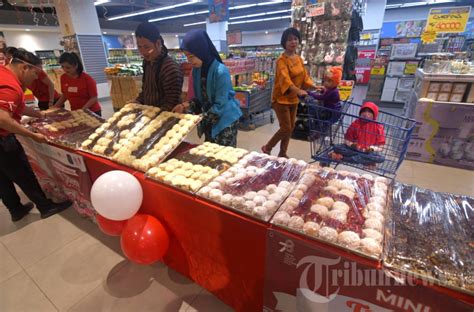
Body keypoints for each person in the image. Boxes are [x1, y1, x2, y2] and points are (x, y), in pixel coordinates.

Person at [0, 48, 72, 222]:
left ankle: (16, 209)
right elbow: (2, 119)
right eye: (35, 74)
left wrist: (40, 114)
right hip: (2, 140)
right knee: (22, 172)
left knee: (2, 178)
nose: (35, 79)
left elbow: (17, 106)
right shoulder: (11, 86)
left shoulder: (3, 73)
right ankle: (46, 206)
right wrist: (32, 135)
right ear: (25, 67)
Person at [173, 29, 242, 147]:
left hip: (225, 121)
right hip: (209, 119)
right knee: (210, 153)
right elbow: (199, 99)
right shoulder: (196, 71)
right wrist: (184, 106)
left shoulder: (221, 71)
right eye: (187, 57)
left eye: (192, 56)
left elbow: (221, 105)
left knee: (224, 157)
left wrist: (197, 119)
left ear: (201, 51)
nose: (189, 60)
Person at [262, 27, 314, 158]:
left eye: (295, 39)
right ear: (284, 42)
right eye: (289, 39)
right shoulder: (281, 60)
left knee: (290, 128)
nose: (293, 42)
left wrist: (315, 87)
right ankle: (267, 147)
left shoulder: (299, 59)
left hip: (294, 99)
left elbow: (305, 77)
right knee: (286, 127)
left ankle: (282, 153)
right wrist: (298, 90)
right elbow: (285, 80)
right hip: (281, 99)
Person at [134, 22, 183, 111]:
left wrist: (153, 119)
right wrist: (137, 102)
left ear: (158, 43)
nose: (143, 52)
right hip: (150, 116)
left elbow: (171, 103)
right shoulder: (147, 63)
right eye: (139, 47)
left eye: (147, 47)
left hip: (166, 119)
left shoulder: (170, 69)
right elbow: (146, 91)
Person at [329, 101, 386, 166]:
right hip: (353, 150)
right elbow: (347, 140)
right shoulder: (355, 123)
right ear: (360, 113)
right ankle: (365, 161)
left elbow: (381, 147)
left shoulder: (378, 127)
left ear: (374, 115)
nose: (366, 114)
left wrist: (371, 148)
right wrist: (353, 145)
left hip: (367, 153)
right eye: (364, 111)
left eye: (369, 112)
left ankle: (344, 158)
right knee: (336, 147)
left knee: (381, 158)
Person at [307, 66, 342, 136]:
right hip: (332, 110)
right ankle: (320, 129)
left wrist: (309, 93)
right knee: (317, 110)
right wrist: (323, 90)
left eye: (329, 81)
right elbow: (326, 94)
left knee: (313, 110)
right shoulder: (332, 89)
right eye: (325, 80)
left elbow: (321, 97)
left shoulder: (333, 92)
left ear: (335, 82)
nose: (325, 83)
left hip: (331, 112)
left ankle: (318, 130)